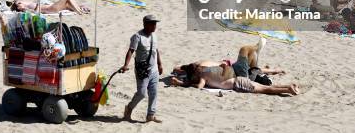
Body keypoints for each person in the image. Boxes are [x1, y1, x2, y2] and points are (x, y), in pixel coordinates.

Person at [171, 40, 299, 96]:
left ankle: (289, 88)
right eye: (198, 67)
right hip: (238, 80)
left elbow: (197, 85)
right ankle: (288, 88)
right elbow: (197, 85)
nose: (200, 67)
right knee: (266, 88)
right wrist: (180, 83)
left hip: (237, 79)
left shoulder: (203, 74)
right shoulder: (204, 73)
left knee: (266, 89)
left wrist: (181, 83)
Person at [121, 15, 163, 123]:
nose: (154, 26)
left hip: (154, 70)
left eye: (155, 23)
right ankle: (129, 108)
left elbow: (156, 50)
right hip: (142, 70)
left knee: (154, 92)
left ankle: (150, 115)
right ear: (145, 24)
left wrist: (159, 64)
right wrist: (126, 65)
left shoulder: (154, 36)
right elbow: (131, 51)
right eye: (152, 23)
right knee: (142, 93)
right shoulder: (137, 36)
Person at [10, 0, 89, 15]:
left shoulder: (26, 5)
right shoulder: (24, 8)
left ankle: (80, 8)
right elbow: (35, 12)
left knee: (68, 4)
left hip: (51, 7)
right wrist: (38, 5)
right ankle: (79, 11)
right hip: (51, 8)